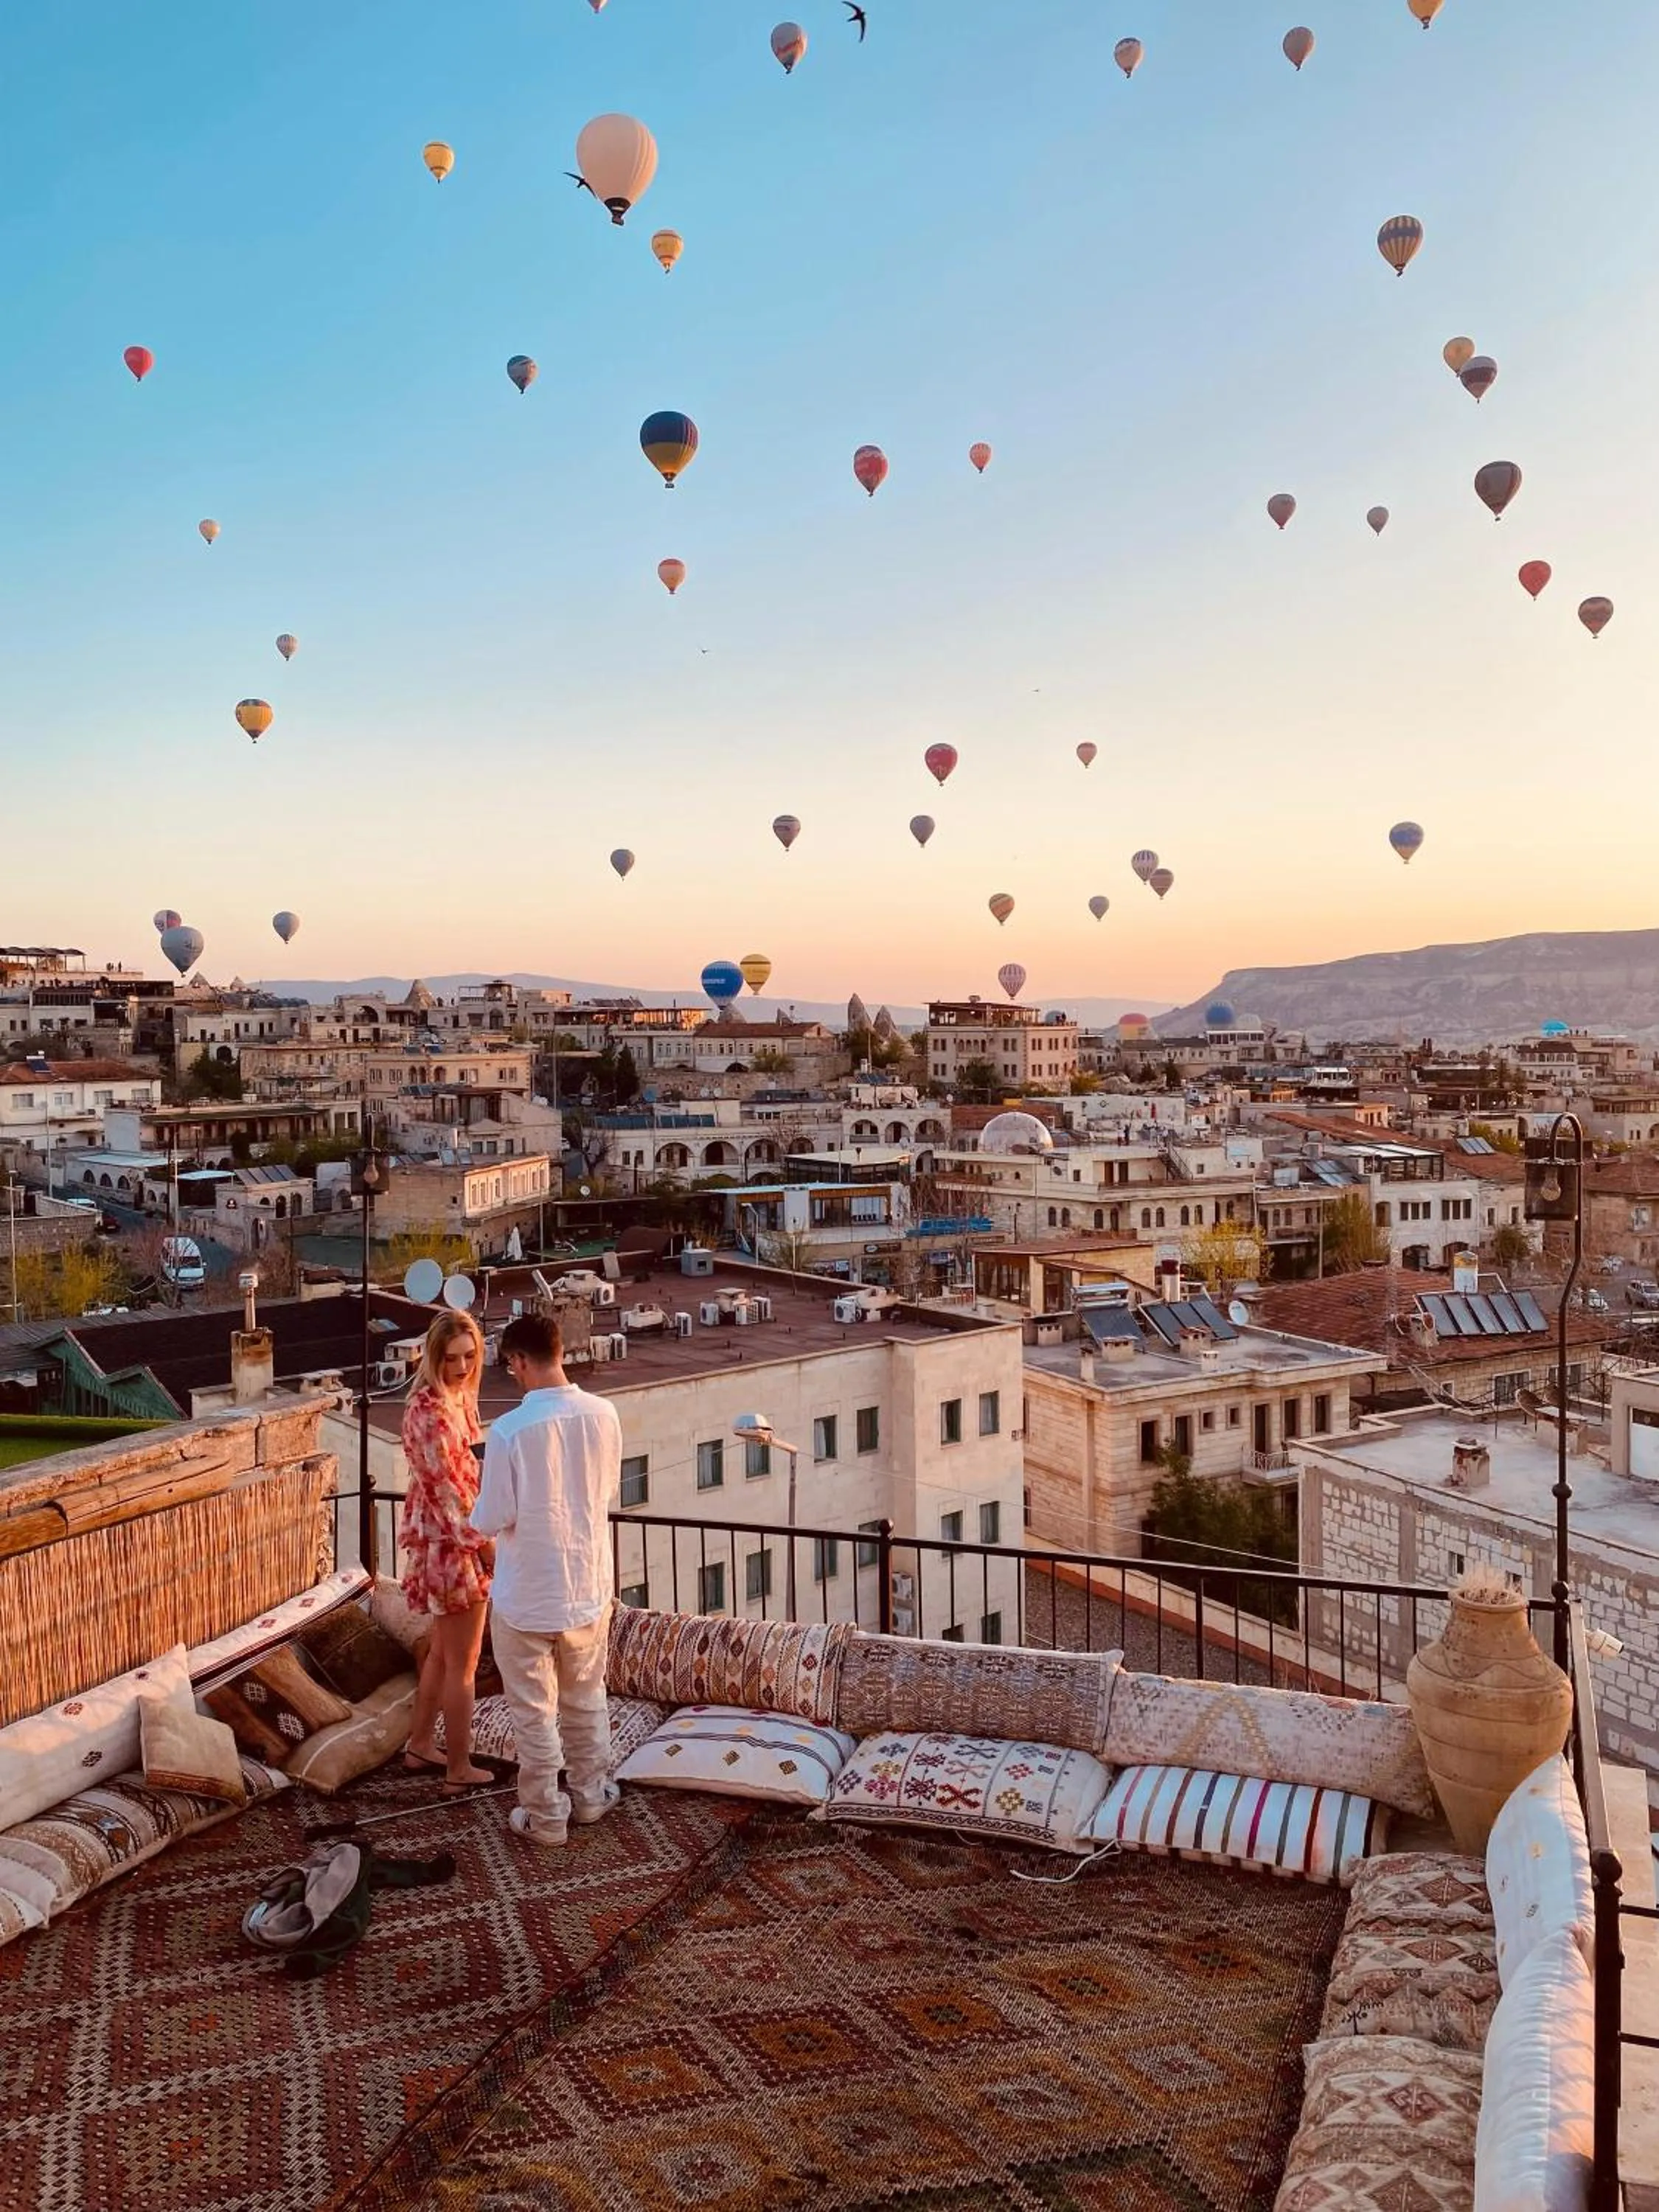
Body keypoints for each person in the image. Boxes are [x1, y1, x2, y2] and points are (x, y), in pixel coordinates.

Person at [470, 1312, 623, 1846]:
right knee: (586, 1699)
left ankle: (546, 1816)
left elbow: (491, 1518)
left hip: (526, 1594)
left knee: (534, 1712)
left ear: (518, 1361)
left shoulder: (509, 1431)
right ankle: (590, 1796)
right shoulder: (605, 1414)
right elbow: (605, 1494)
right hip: (586, 1586)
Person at [398, 1310, 496, 1790]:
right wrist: (487, 1546)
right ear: (434, 1357)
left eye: (470, 1356)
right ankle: (458, 1769)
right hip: (451, 1545)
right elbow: (449, 1493)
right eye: (452, 1358)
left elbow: (469, 1476)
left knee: (442, 1654)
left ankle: (420, 1744)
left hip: (449, 1539)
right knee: (464, 1664)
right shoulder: (432, 1412)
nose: (462, 1366)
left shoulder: (457, 1400)